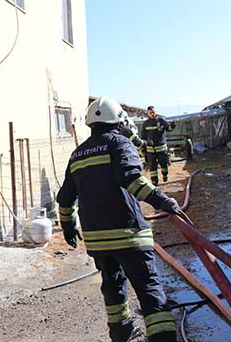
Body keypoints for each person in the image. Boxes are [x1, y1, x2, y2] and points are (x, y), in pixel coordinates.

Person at [57, 96, 180, 342]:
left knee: (112, 287)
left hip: (98, 242)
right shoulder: (119, 143)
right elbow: (132, 179)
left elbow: (65, 197)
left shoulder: (77, 154)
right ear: (118, 121)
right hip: (128, 235)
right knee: (148, 288)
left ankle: (121, 333)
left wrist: (68, 226)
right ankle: (163, 338)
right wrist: (162, 201)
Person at [140, 106, 175, 185]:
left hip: (161, 149)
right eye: (150, 113)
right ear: (147, 113)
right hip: (150, 150)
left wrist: (172, 125)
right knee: (152, 167)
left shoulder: (161, 121)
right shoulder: (145, 124)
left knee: (164, 165)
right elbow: (143, 137)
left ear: (155, 112)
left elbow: (169, 128)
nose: (152, 114)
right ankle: (154, 181)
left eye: (153, 112)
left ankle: (165, 175)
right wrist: (143, 148)